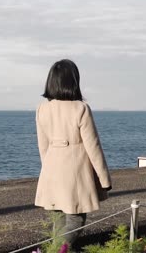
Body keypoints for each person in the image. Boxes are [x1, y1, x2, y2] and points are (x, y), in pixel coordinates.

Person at [35, 59, 112, 246]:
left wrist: (49, 170)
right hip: (75, 171)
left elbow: (42, 146)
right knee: (75, 220)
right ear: (74, 81)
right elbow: (93, 147)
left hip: (51, 169)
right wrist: (104, 179)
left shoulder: (42, 109)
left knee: (58, 219)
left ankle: (58, 250)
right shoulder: (81, 108)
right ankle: (56, 251)